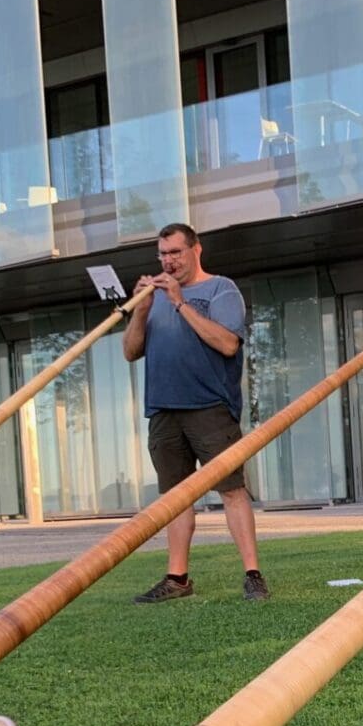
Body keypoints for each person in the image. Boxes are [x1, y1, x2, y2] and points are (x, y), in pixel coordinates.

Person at [122, 222, 268, 603]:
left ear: (195, 250)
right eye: (163, 255)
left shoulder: (221, 289)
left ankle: (253, 574)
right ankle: (178, 578)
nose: (169, 261)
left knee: (232, 490)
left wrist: (179, 303)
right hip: (163, 409)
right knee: (175, 498)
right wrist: (141, 310)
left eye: (175, 252)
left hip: (210, 407)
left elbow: (227, 344)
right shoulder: (153, 298)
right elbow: (130, 351)